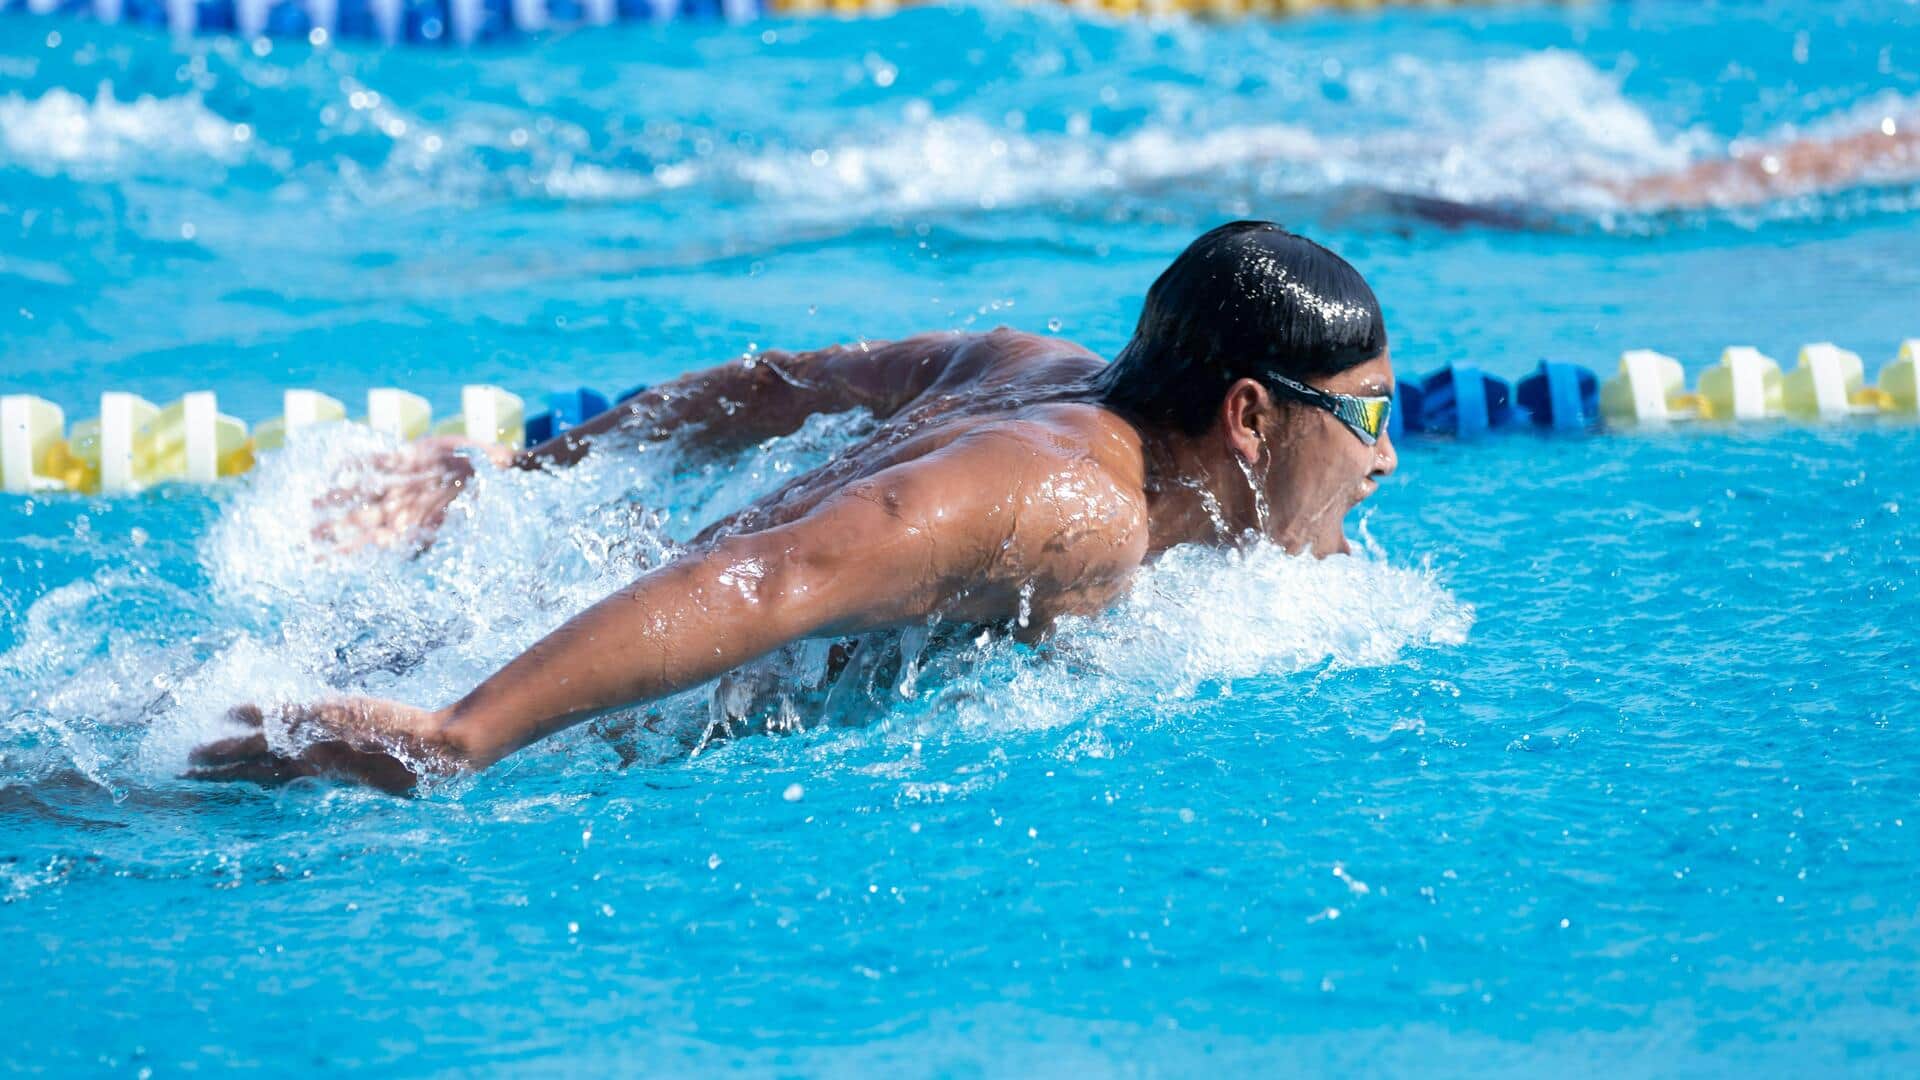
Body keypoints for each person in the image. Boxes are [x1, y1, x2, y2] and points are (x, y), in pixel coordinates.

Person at [188, 221, 1399, 793]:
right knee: (147, 783)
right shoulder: (1079, 513)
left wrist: (527, 470)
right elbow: (783, 580)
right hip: (591, 701)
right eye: (1368, 416)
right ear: (1249, 416)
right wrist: (461, 733)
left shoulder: (1035, 365)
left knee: (162, 733)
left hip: (558, 612)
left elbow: (777, 385)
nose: (1385, 460)